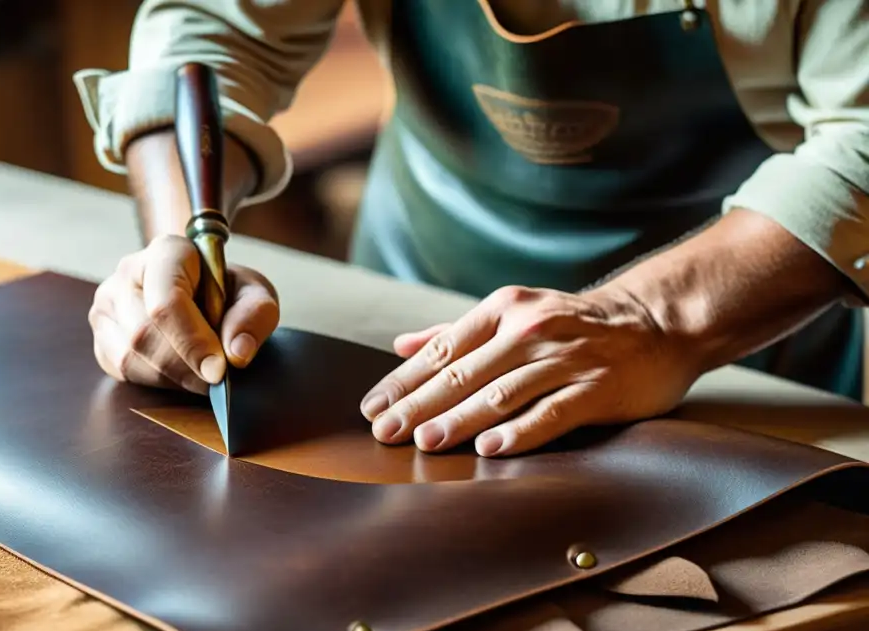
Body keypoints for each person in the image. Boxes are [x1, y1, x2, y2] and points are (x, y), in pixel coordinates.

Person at [73, 0, 869, 458]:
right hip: (407, 301)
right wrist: (183, 240)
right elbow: (214, 30)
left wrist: (652, 319)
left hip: (741, 345)